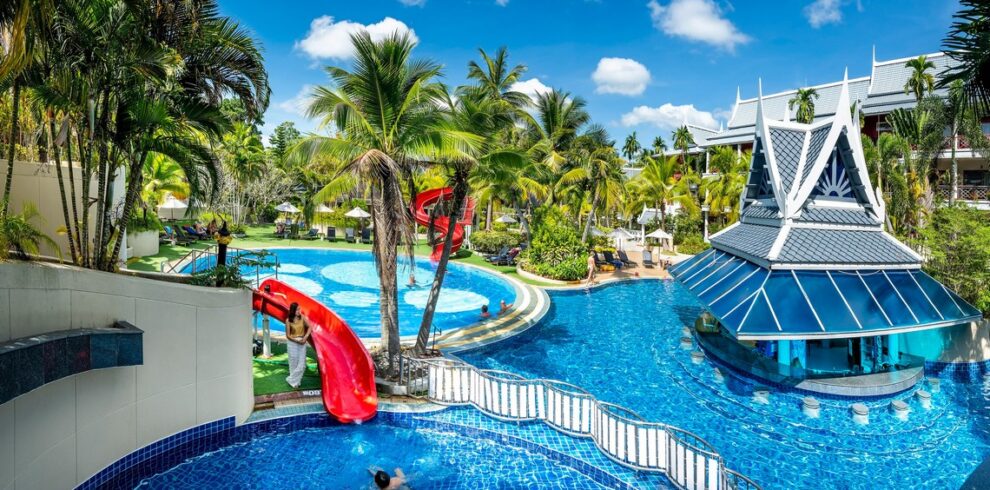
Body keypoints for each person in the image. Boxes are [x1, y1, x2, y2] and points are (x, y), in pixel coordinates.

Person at [284, 302, 311, 389]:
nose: (299, 311)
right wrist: (297, 341)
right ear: (293, 311)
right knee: (293, 363)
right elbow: (288, 335)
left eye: (300, 309)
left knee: (302, 365)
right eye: (297, 309)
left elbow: (310, 327)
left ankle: (290, 379)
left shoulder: (302, 317)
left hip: (302, 341)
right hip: (292, 342)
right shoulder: (288, 320)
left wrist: (305, 337)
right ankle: (296, 382)